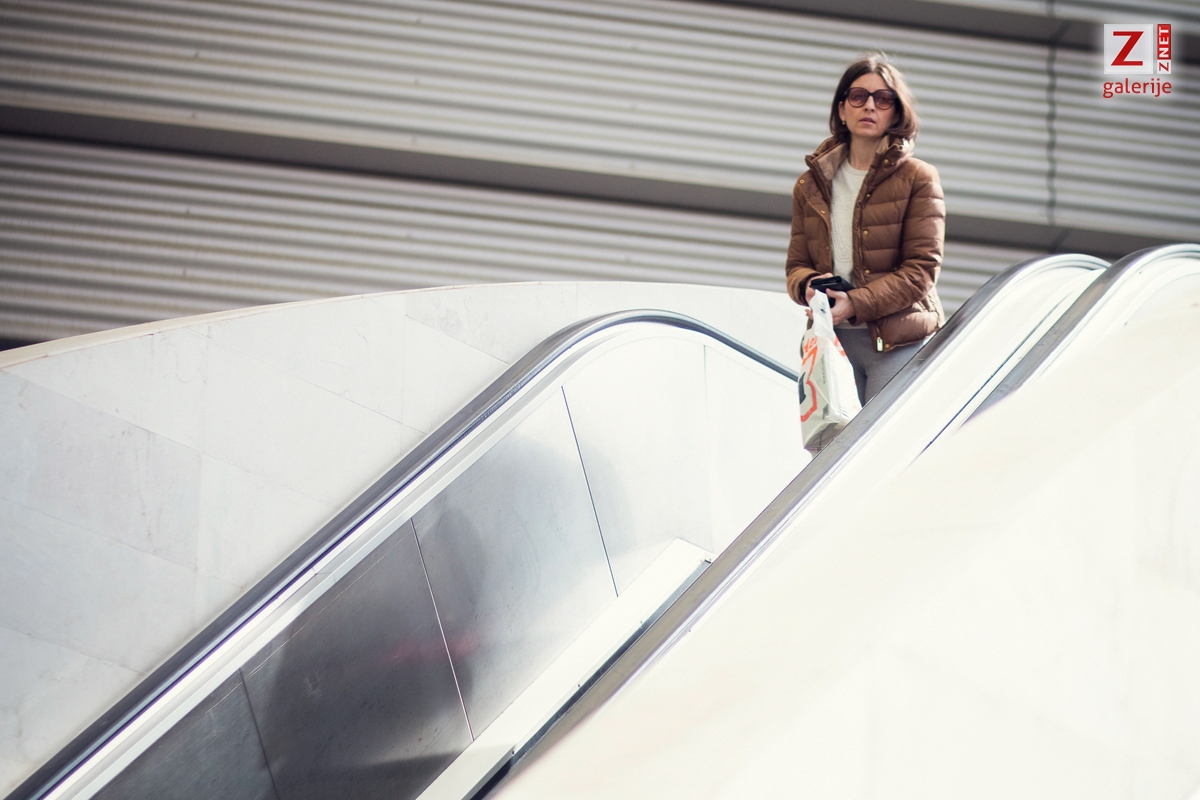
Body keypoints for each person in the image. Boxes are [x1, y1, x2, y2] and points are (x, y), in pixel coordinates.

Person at [786, 53, 946, 405]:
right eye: (859, 97)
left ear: (896, 114)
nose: (870, 106)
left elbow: (921, 271)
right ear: (842, 109)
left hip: (898, 342)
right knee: (831, 437)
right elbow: (796, 266)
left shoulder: (918, 178)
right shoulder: (810, 184)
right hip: (831, 340)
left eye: (883, 99)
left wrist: (855, 303)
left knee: (884, 435)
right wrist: (808, 285)